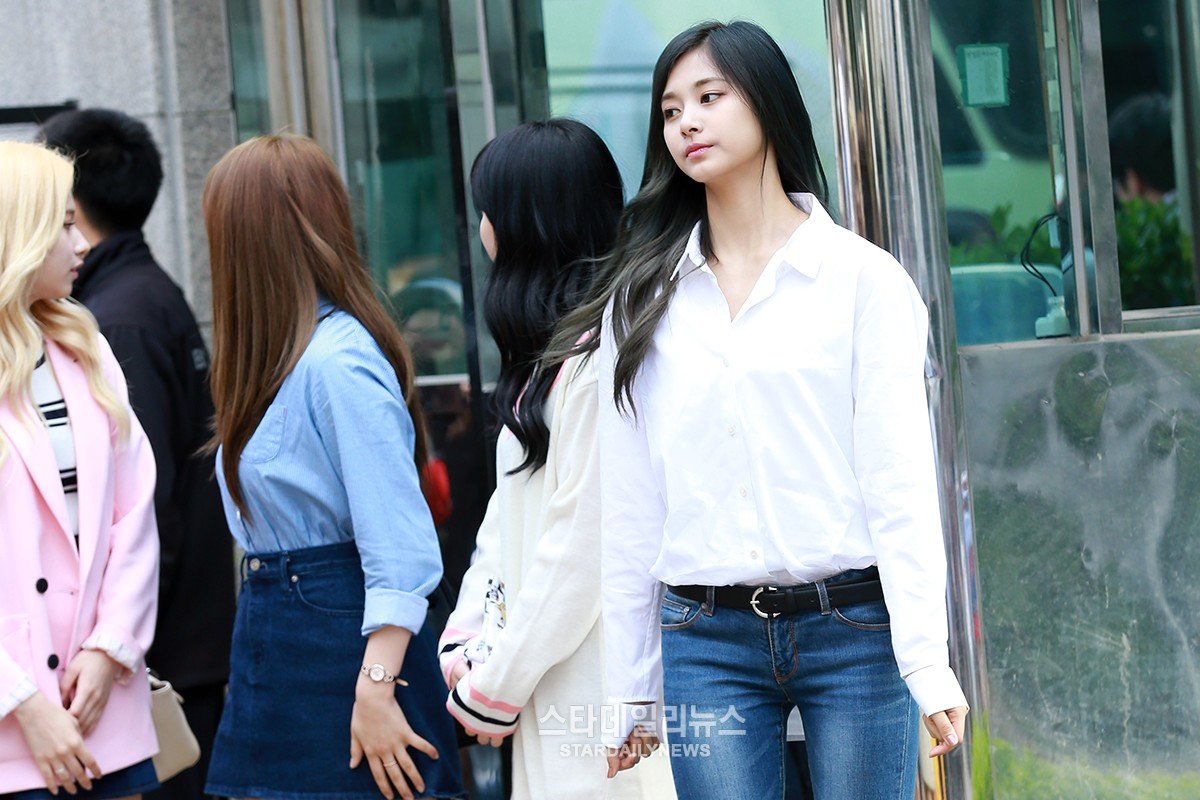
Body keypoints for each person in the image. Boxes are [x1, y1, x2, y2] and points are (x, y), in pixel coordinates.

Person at [546, 21, 969, 800]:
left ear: (768, 103)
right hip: (705, 639)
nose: (687, 122)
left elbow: (900, 484)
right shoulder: (643, 301)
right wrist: (631, 688)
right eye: (671, 110)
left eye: (709, 97)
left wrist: (926, 659)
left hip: (853, 629)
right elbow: (632, 506)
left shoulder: (863, 281)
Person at [199, 134, 464, 800]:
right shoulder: (280, 359)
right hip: (280, 635)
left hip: (343, 643)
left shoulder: (336, 362)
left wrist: (375, 689)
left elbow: (400, 548)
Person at [436, 120, 674, 799]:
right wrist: (471, 640)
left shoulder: (601, 362)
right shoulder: (558, 359)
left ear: (527, 224)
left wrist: (495, 683)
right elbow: (509, 516)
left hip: (596, 693)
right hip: (556, 681)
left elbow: (579, 550)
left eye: (488, 211)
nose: (482, 230)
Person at [37, 108, 236, 800]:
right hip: (170, 647)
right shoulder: (146, 293)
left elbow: (140, 509)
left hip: (151, 661)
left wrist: (114, 645)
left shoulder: (114, 322)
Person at [0, 141, 160, 799]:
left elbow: (134, 512)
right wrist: (20, 700)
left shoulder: (83, 345)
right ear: (19, 232)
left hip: (101, 709)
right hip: (13, 731)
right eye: (62, 224)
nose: (81, 243)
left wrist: (109, 648)